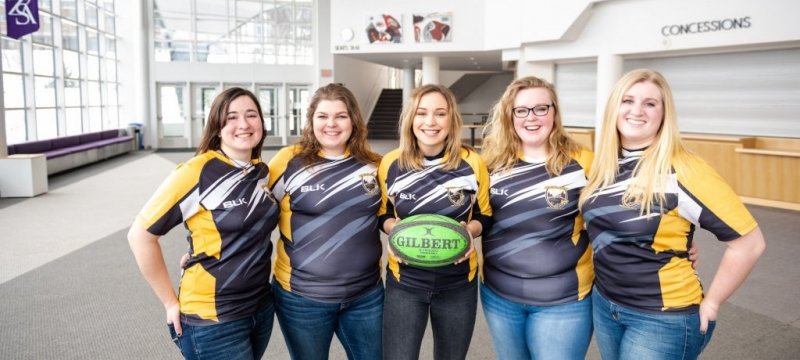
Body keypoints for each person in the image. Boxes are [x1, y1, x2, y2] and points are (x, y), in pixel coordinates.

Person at [579, 69, 766, 360]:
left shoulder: (685, 169)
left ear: (664, 113)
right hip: (605, 303)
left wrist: (713, 303)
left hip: (662, 317)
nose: (637, 111)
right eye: (627, 100)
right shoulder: (605, 165)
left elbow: (750, 243)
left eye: (650, 103)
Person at [127, 87, 279, 360]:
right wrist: (169, 302)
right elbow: (140, 236)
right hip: (212, 319)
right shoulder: (196, 172)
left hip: (259, 307)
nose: (243, 124)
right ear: (217, 127)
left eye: (251, 115)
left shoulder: (259, 171)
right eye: (231, 117)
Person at [479, 76, 594, 360]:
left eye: (541, 108)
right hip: (499, 296)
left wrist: (682, 242)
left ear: (554, 112)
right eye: (521, 110)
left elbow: (617, 213)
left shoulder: (585, 162)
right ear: (510, 115)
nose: (531, 118)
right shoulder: (490, 163)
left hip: (563, 299)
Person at [267, 83, 384, 360]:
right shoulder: (289, 161)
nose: (331, 124)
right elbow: (254, 214)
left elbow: (394, 214)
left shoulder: (374, 164)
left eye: (340, 116)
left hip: (366, 296)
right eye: (323, 116)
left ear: (353, 120)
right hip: (302, 298)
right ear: (311, 120)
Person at [378, 84, 492, 360]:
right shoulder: (391, 163)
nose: (430, 122)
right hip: (404, 282)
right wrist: (395, 230)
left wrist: (469, 231)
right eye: (422, 113)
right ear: (410, 119)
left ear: (451, 120)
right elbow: (382, 214)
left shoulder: (472, 163)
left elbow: (484, 215)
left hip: (458, 283)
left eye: (440, 113)